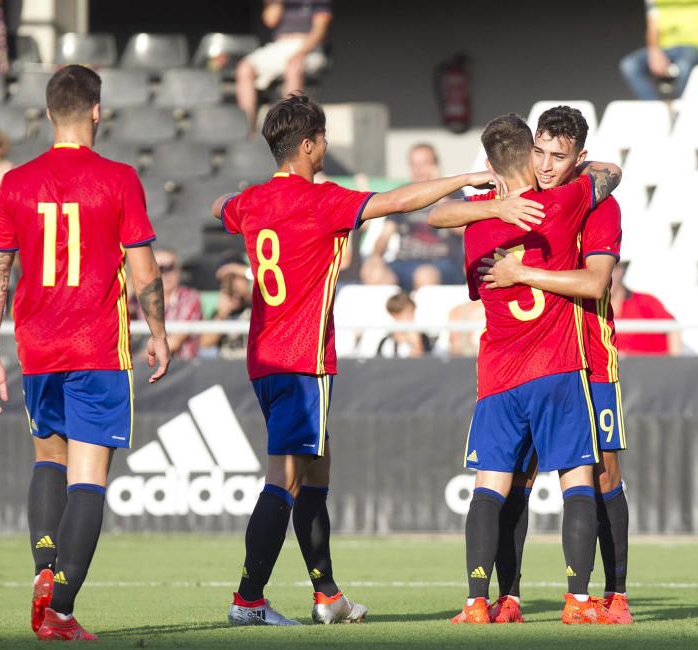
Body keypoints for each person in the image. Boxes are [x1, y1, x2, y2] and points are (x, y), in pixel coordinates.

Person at [211, 94, 507, 626]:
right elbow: (401, 201)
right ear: (306, 145)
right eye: (322, 138)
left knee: (317, 469)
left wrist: (239, 200)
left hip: (264, 358)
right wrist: (466, 178)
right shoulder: (319, 201)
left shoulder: (253, 201)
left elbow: (219, 208)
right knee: (285, 477)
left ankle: (327, 595)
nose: (325, 146)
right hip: (302, 360)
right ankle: (248, 599)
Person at [0, 65, 170, 642]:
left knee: (48, 461)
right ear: (96, 111)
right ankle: (58, 611)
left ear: (46, 113)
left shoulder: (14, 181)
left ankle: (44, 568)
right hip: (96, 349)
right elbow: (144, 270)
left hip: (36, 348)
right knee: (88, 479)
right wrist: (158, 332)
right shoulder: (118, 177)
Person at [431, 106, 632, 626]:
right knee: (545, 480)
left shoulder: (582, 210)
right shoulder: (543, 205)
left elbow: (594, 284)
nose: (546, 165)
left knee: (592, 476)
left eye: (558, 156)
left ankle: (613, 594)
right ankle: (532, 597)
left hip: (557, 358)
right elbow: (610, 173)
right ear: (528, 151)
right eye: (538, 153)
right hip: (553, 361)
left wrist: (516, 260)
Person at [361, 144, 464, 291]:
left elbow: (463, 230)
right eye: (414, 165)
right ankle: (398, 312)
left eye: (424, 164)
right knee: (372, 273)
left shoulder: (454, 194)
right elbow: (385, 234)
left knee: (424, 275)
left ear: (436, 166)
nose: (419, 170)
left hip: (444, 263)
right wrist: (376, 257)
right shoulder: (403, 195)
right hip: (405, 262)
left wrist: (440, 193)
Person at [236, 0, 331, 133]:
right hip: (280, 46)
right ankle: (247, 130)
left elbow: (319, 32)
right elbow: (270, 20)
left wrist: (300, 53)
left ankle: (288, 128)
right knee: (244, 68)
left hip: (308, 47)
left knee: (293, 67)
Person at [619, 0, 698, 100]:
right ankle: (657, 109)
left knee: (684, 64)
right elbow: (652, 25)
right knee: (630, 65)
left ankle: (681, 107)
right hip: (668, 49)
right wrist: (654, 52)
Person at [133, 248, 201, 360]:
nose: (164, 274)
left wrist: (137, 360)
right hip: (147, 367)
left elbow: (174, 342)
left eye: (169, 268)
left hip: (182, 368)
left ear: (178, 270)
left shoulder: (191, 298)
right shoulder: (142, 299)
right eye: (158, 268)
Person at [612, 265, 682, 356]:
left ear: (619, 271)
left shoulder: (645, 301)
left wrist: (674, 363)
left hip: (653, 367)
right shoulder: (591, 309)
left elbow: (673, 328)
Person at [200, 262, 252, 359]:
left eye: (236, 277)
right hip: (226, 368)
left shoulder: (259, 309)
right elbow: (205, 343)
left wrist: (244, 271)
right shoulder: (218, 314)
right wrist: (221, 315)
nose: (233, 285)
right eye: (226, 280)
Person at [377, 291, 434, 358]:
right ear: (394, 315)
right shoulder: (386, 341)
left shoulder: (423, 338)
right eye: (407, 313)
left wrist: (416, 343)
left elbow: (423, 364)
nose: (411, 318)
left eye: (412, 313)